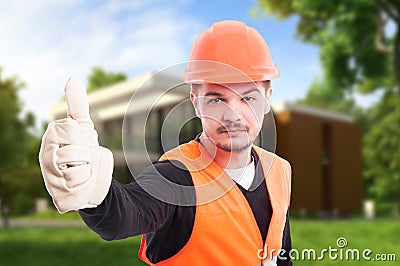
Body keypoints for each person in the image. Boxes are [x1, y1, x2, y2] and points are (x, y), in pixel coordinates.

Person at [39, 20, 292, 265]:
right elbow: (125, 215)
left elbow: (280, 253)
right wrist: (95, 192)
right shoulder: (176, 178)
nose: (233, 115)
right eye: (217, 99)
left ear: (268, 98)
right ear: (195, 102)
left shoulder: (279, 170)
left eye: (248, 98)